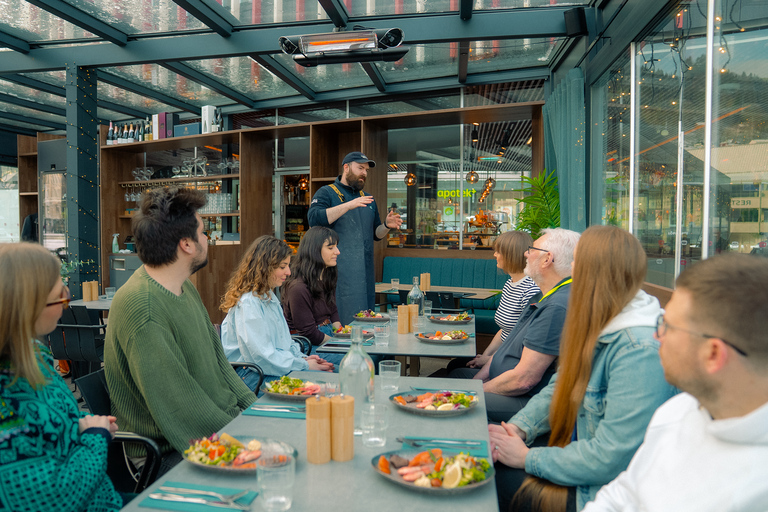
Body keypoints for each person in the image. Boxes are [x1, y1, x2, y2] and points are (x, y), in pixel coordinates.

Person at [488, 226, 677, 512]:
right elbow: (559, 387)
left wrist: (527, 458)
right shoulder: (603, 319)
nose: (571, 269)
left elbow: (611, 458)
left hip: (599, 494)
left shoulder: (639, 350)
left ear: (593, 272)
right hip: (573, 461)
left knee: (488, 483)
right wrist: (518, 428)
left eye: (577, 262)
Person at [583, 253, 768, 512]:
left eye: (666, 325)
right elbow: (623, 493)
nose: (657, 336)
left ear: (713, 354)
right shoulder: (679, 409)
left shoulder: (758, 490)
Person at [104, 187, 256, 474]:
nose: (206, 239)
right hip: (166, 452)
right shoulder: (143, 308)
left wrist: (254, 409)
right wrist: (246, 433)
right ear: (186, 244)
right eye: (202, 233)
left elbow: (219, 364)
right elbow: (181, 411)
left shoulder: (184, 287)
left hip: (210, 431)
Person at [0, 242, 122, 511]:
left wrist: (80, 423)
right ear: (28, 307)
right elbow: (55, 497)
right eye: (61, 298)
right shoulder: (8, 397)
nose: (66, 305)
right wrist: (96, 436)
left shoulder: (34, 356)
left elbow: (48, 424)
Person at [452, 228, 580, 423]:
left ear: (547, 259)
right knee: (454, 376)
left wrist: (473, 390)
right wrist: (479, 378)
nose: (526, 254)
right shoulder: (544, 295)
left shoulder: (557, 306)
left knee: (451, 402)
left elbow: (523, 380)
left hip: (525, 398)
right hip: (504, 379)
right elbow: (508, 339)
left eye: (532, 249)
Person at [220, 235, 334, 391]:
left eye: (288, 265)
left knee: (333, 375)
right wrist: (304, 365)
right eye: (282, 266)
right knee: (325, 387)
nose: (288, 272)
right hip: (252, 376)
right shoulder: (248, 303)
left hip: (269, 370)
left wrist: (303, 358)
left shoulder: (268, 296)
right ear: (264, 267)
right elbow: (261, 357)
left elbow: (284, 343)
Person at [307, 151, 402, 324]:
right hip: (336, 273)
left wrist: (387, 226)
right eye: (360, 168)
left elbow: (376, 234)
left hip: (365, 274)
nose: (364, 173)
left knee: (367, 321)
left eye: (366, 170)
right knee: (342, 321)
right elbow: (314, 219)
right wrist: (348, 205)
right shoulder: (326, 192)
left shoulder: (368, 199)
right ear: (346, 167)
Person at [446, 230, 540, 374]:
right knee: (454, 365)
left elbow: (522, 343)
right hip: (501, 355)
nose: (495, 255)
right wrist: (485, 356)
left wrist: (489, 361)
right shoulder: (510, 283)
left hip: (513, 362)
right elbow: (504, 330)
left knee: (455, 370)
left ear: (510, 255)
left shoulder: (530, 290)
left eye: (498, 252)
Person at [281, 226, 345, 368]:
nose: (337, 252)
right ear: (314, 250)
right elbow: (309, 333)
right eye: (331, 248)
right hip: (307, 345)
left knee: (371, 352)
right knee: (355, 360)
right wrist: (340, 344)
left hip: (327, 334)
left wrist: (342, 334)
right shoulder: (298, 287)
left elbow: (333, 310)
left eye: (336, 247)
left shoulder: (327, 275)